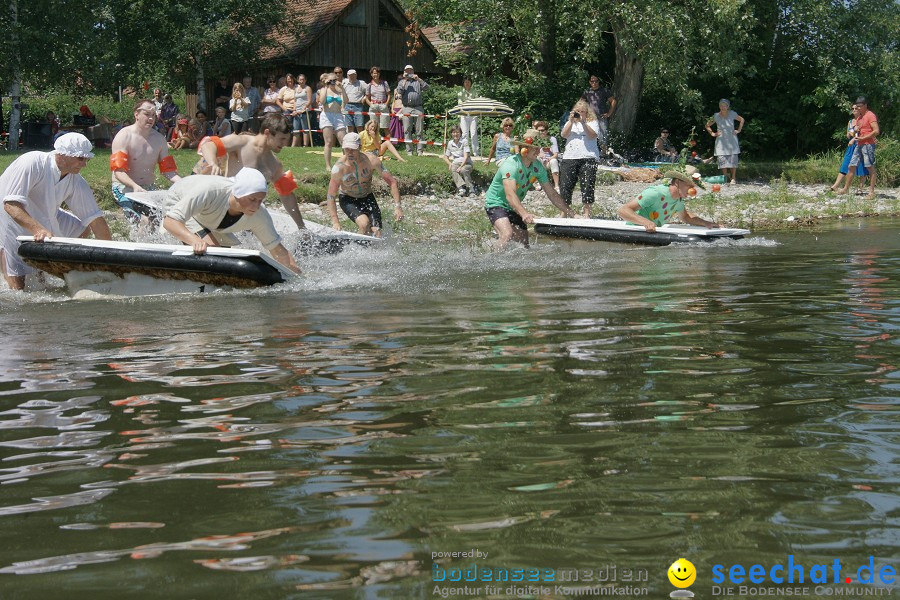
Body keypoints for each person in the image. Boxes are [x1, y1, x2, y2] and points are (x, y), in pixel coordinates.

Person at [1, 133, 113, 291]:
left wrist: (111, 256)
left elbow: (95, 219)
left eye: (87, 159)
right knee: (19, 290)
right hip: (7, 214)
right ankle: (10, 274)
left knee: (81, 228)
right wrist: (37, 229)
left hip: (46, 214)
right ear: (61, 155)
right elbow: (10, 205)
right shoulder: (32, 162)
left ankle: (58, 270)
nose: (85, 164)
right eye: (80, 158)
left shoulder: (76, 180)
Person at [162, 167, 300, 274]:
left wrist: (297, 278)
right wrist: (193, 240)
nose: (256, 206)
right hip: (179, 198)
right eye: (252, 200)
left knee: (225, 258)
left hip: (210, 218)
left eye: (260, 200)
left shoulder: (259, 215)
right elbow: (170, 221)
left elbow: (278, 250)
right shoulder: (210, 191)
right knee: (211, 251)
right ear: (238, 194)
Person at [194, 113, 307, 231]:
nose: (285, 144)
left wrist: (301, 226)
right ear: (267, 133)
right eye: (282, 139)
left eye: (287, 139)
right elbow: (208, 145)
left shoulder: (274, 164)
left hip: (247, 213)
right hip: (223, 207)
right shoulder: (241, 142)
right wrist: (213, 163)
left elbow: (287, 195)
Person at [484, 128, 576, 249]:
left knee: (524, 243)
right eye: (535, 148)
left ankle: (496, 248)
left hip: (513, 206)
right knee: (507, 234)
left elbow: (552, 194)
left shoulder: (537, 167)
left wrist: (572, 214)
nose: (538, 151)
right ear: (524, 150)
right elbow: (510, 194)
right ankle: (491, 258)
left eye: (539, 148)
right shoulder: (511, 165)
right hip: (495, 203)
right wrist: (524, 214)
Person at [109, 98, 182, 223]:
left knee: (162, 218)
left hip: (148, 187)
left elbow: (168, 171)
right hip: (123, 187)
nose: (151, 118)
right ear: (136, 114)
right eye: (147, 114)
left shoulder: (159, 139)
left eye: (153, 115)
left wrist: (183, 183)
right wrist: (134, 186)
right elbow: (118, 171)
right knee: (138, 219)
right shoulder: (124, 136)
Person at [326, 133, 403, 237]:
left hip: (367, 197)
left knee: (377, 233)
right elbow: (331, 195)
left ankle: (369, 250)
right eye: (346, 149)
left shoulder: (371, 160)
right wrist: (335, 221)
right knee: (364, 224)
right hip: (348, 199)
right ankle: (356, 248)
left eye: (353, 149)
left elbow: (392, 182)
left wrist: (398, 207)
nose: (349, 153)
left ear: (360, 148)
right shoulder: (339, 168)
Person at [617, 168, 722, 232]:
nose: (692, 190)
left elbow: (686, 217)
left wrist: (706, 223)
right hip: (636, 230)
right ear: (677, 182)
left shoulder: (679, 199)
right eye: (689, 185)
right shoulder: (655, 193)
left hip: (653, 232)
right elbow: (623, 210)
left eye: (693, 186)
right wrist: (646, 222)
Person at [559, 99, 600, 217]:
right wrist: (572, 121)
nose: (580, 113)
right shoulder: (570, 122)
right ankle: (564, 212)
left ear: (587, 113)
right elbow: (563, 135)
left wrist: (583, 123)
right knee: (566, 185)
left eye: (582, 111)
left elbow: (593, 135)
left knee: (587, 185)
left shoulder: (592, 122)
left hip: (588, 157)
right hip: (570, 157)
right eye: (577, 111)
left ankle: (587, 212)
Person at [838, 96, 879, 199]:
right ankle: (845, 189)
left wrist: (864, 137)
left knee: (870, 167)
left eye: (860, 106)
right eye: (857, 107)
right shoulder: (860, 118)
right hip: (859, 144)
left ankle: (871, 192)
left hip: (868, 145)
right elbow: (857, 132)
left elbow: (876, 131)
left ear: (865, 105)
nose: (858, 109)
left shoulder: (871, 115)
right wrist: (856, 130)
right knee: (851, 166)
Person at [829, 103, 868, 192]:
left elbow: (864, 133)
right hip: (851, 146)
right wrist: (853, 132)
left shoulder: (863, 120)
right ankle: (835, 185)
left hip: (861, 144)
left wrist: (853, 137)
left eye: (856, 108)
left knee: (862, 166)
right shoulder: (850, 122)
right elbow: (848, 135)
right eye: (852, 108)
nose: (854, 109)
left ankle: (860, 188)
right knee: (845, 164)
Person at [706, 98, 744, 184]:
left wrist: (738, 130)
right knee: (722, 158)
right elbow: (707, 125)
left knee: (733, 158)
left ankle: (733, 178)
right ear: (719, 106)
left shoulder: (732, 114)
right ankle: (726, 177)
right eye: (721, 106)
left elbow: (742, 120)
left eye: (725, 106)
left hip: (732, 139)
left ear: (728, 106)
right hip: (721, 140)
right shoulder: (716, 116)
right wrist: (713, 133)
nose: (723, 107)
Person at [317, 73, 349, 171]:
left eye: (334, 80)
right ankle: (328, 166)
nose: (332, 82)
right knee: (329, 142)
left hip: (338, 115)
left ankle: (346, 163)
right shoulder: (323, 90)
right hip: (327, 115)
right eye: (330, 80)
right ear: (326, 81)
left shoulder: (339, 90)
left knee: (344, 141)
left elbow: (346, 101)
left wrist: (342, 88)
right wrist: (326, 87)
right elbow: (322, 102)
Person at [397, 65, 429, 155]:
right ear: (404, 72)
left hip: (418, 107)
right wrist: (404, 81)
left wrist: (418, 79)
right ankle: (409, 151)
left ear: (413, 71)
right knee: (407, 130)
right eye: (407, 71)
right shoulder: (402, 82)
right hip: (407, 108)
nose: (409, 73)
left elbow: (427, 88)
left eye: (410, 71)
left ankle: (420, 151)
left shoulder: (418, 81)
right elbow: (399, 92)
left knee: (419, 130)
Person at [581, 75, 616, 153]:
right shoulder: (587, 92)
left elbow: (613, 101)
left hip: (602, 117)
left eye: (596, 81)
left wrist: (609, 113)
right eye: (592, 81)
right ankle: (589, 152)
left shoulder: (604, 90)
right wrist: (583, 113)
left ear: (598, 82)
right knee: (588, 134)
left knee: (603, 136)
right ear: (589, 82)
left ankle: (604, 153)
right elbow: (581, 102)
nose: (594, 83)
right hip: (591, 118)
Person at [443, 125, 474, 196]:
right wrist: (449, 164)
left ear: (460, 133)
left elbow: (466, 156)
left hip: (467, 163)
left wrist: (461, 166)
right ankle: (461, 188)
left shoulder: (464, 141)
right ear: (451, 133)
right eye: (454, 132)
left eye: (457, 132)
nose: (455, 134)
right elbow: (445, 156)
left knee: (463, 170)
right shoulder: (450, 143)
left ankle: (471, 189)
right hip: (456, 162)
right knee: (453, 168)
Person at [365, 66, 391, 138]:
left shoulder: (384, 83)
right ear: (371, 74)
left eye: (376, 73)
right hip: (374, 105)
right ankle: (375, 144)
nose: (375, 75)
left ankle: (389, 144)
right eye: (373, 73)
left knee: (385, 126)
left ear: (379, 74)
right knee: (373, 126)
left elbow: (389, 95)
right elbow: (367, 98)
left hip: (383, 105)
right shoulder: (369, 85)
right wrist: (371, 104)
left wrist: (386, 104)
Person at [457, 77, 479, 157]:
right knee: (465, 134)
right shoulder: (460, 92)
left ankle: (476, 153)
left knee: (473, 133)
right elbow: (460, 103)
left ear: (471, 83)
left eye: (468, 82)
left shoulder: (474, 91)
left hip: (473, 114)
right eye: (465, 82)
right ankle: (465, 152)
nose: (467, 83)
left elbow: (477, 102)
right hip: (464, 114)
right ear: (463, 83)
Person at [342, 69, 367, 133]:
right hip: (347, 105)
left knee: (359, 126)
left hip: (358, 106)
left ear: (356, 75)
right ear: (348, 76)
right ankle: (351, 142)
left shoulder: (361, 83)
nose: (352, 76)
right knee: (349, 126)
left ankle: (361, 142)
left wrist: (364, 98)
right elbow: (341, 93)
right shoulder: (344, 83)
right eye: (350, 75)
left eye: (353, 75)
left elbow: (369, 91)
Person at [293, 74, 314, 147]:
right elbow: (295, 100)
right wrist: (294, 110)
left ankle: (305, 145)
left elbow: (309, 100)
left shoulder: (307, 88)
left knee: (305, 129)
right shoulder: (296, 89)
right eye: (300, 79)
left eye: (303, 79)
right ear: (298, 80)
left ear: (305, 80)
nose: (302, 81)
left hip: (305, 112)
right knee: (295, 129)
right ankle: (293, 146)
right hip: (297, 111)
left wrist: (303, 109)